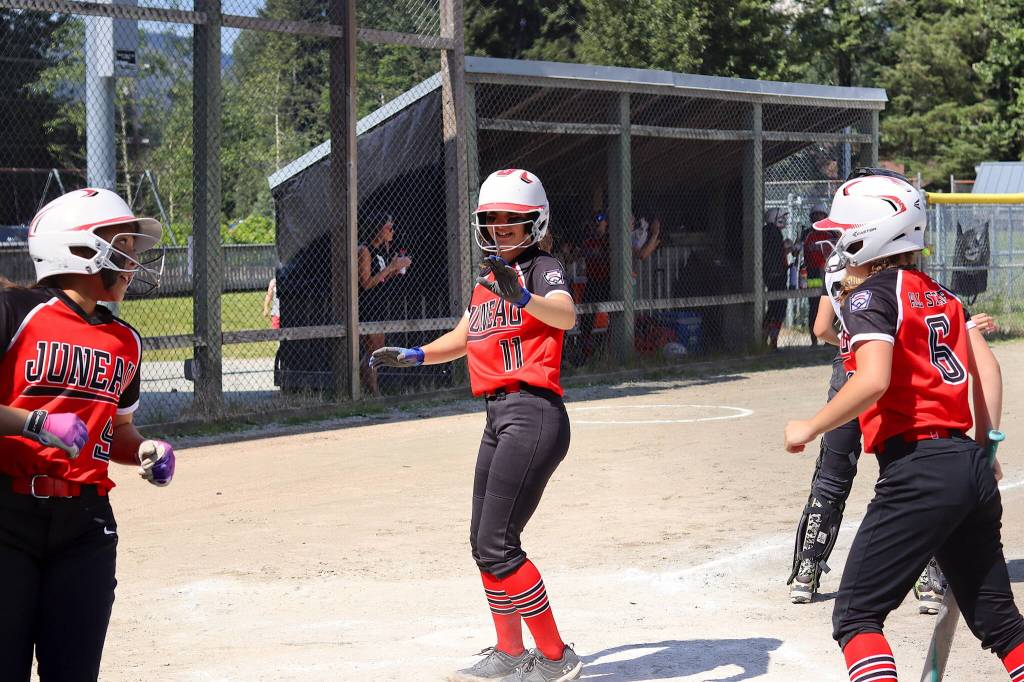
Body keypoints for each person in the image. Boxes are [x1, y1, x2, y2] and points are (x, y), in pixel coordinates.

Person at [783, 169, 1024, 680]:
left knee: (856, 617)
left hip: (919, 468)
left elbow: (872, 381)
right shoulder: (939, 293)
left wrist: (809, 426)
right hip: (967, 464)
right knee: (1003, 628)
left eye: (845, 228)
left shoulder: (872, 294)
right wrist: (986, 447)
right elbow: (989, 370)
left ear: (872, 231)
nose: (838, 240)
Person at [370, 168, 582, 681]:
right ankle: (510, 653)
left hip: (533, 415)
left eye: (513, 220)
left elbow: (566, 314)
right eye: (493, 220)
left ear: (536, 222)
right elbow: (467, 335)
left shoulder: (541, 267)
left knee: (499, 542)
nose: (502, 228)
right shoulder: (489, 280)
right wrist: (417, 354)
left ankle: (555, 658)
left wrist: (523, 297)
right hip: (498, 416)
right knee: (481, 539)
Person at [0, 187, 177, 680]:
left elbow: (116, 430)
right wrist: (33, 422)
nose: (131, 262)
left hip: (85, 523)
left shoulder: (125, 340)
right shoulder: (15, 313)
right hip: (7, 515)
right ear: (78, 249)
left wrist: (142, 447)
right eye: (121, 245)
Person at [785, 246, 998, 606]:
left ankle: (807, 570)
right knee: (915, 477)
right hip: (898, 382)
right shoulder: (910, 284)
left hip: (851, 378)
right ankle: (929, 576)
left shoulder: (843, 262)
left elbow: (822, 326)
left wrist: (848, 341)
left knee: (833, 478)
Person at [357, 212, 411, 396]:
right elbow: (366, 283)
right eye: (389, 227)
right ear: (378, 229)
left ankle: (366, 387)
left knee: (377, 349)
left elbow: (381, 278)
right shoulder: (365, 250)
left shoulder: (382, 251)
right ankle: (373, 391)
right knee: (373, 350)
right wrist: (390, 267)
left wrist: (396, 270)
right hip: (367, 304)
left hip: (379, 303)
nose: (392, 231)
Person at [801, 203, 833, 345]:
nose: (818, 218)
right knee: (814, 305)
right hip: (813, 274)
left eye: (821, 215)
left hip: (828, 273)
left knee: (830, 306)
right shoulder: (807, 234)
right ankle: (813, 340)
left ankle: (828, 339)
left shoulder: (831, 233)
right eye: (816, 215)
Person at [763, 208, 788, 349]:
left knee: (775, 308)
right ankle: (771, 341)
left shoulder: (770, 231)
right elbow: (773, 254)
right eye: (781, 217)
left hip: (774, 274)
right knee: (778, 309)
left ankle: (768, 340)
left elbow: (775, 253)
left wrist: (785, 249)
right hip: (776, 276)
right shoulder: (772, 231)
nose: (783, 220)